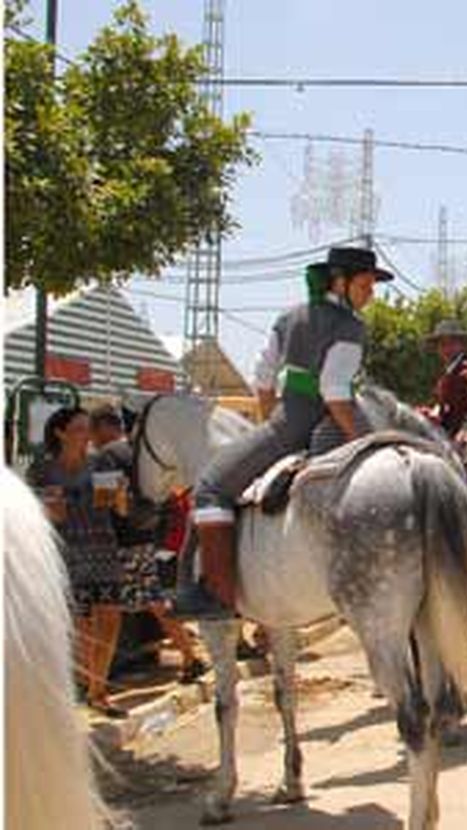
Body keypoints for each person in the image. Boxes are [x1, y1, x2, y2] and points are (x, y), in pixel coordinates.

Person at [180, 247, 392, 618]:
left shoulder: (289, 318)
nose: (370, 294)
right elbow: (337, 394)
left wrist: (273, 427)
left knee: (210, 487)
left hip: (290, 424)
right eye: (365, 284)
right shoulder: (350, 327)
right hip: (332, 427)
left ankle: (218, 594)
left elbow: (265, 381)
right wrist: (367, 439)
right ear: (339, 282)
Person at [88, 405, 205, 684]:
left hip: (119, 542)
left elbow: (104, 501)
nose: (91, 439)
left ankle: (97, 683)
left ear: (103, 428)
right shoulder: (138, 453)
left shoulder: (107, 456)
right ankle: (190, 657)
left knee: (108, 610)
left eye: (91, 432)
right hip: (145, 539)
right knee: (155, 601)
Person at [27, 406, 129, 716]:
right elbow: (36, 516)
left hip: (103, 548)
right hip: (66, 553)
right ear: (60, 433)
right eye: (80, 429)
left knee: (110, 623)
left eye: (88, 429)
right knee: (81, 626)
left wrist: (121, 496)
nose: (88, 436)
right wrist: (49, 508)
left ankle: (97, 690)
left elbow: (119, 511)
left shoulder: (102, 463)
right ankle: (90, 685)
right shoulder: (42, 471)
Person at [426, 319, 467, 437]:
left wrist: (466, 427)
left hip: (466, 437)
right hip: (448, 434)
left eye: (451, 343)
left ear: (462, 345)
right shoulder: (447, 372)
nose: (446, 349)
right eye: (442, 344)